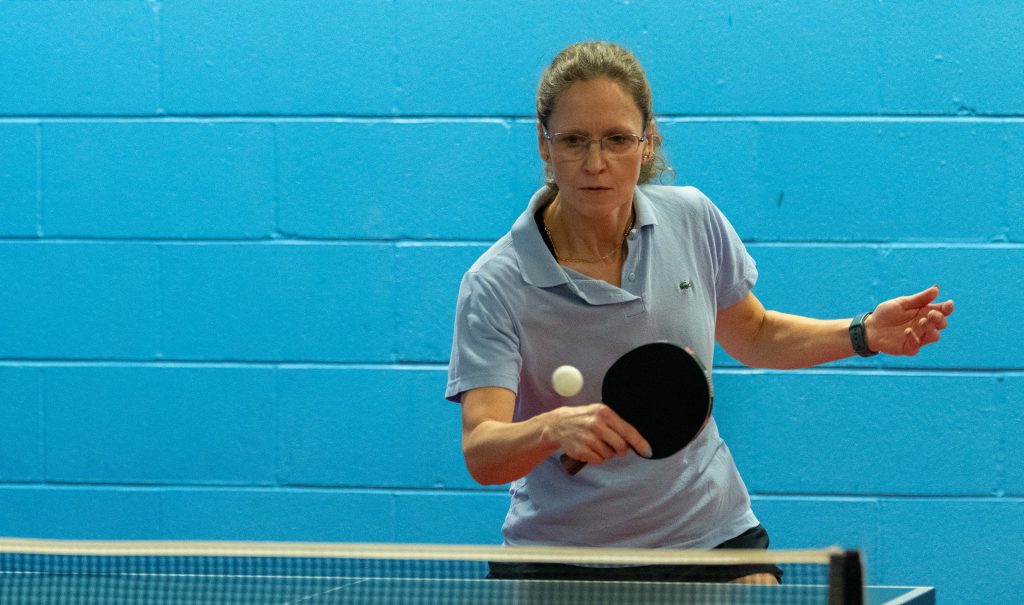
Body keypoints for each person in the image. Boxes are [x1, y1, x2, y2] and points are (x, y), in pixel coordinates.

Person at [445, 41, 953, 584]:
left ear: (647, 141)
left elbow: (755, 333)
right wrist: (552, 427)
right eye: (573, 141)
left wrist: (864, 333)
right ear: (544, 145)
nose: (595, 163)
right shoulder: (496, 283)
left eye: (617, 139)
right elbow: (482, 450)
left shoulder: (692, 219)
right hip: (561, 557)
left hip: (709, 539)